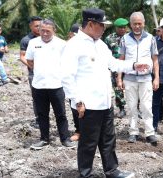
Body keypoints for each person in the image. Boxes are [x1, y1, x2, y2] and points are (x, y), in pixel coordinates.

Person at [60, 8, 148, 178]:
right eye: (102, 25)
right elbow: (66, 76)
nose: (104, 29)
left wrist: (133, 65)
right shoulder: (74, 45)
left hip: (105, 102)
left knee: (108, 140)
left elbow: (114, 64)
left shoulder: (100, 44)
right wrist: (77, 101)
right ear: (91, 24)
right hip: (87, 104)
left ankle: (112, 170)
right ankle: (85, 173)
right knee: (88, 142)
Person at [26, 19, 75, 150]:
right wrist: (40, 71)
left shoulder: (62, 44)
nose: (45, 33)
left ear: (54, 30)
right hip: (38, 85)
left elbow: (67, 63)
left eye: (48, 31)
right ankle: (44, 139)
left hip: (57, 85)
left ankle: (65, 139)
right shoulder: (33, 43)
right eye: (42, 30)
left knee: (61, 114)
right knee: (42, 114)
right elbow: (29, 60)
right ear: (39, 30)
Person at [117, 11, 159, 145]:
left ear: (144, 24)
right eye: (134, 24)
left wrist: (156, 78)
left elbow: (155, 60)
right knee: (131, 106)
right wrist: (119, 78)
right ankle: (133, 132)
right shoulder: (124, 39)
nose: (137, 26)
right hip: (129, 79)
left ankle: (149, 133)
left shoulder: (151, 38)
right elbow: (121, 59)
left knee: (147, 106)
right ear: (130, 24)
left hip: (146, 78)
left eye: (139, 24)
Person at [20, 16, 42, 128]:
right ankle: (39, 120)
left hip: (49, 74)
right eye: (36, 26)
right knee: (37, 97)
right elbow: (22, 56)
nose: (39, 28)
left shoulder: (47, 37)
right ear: (31, 26)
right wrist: (32, 66)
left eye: (40, 25)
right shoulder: (26, 40)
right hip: (33, 73)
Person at [105, 18, 128, 118]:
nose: (123, 29)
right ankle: (122, 108)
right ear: (116, 28)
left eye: (124, 27)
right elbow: (106, 54)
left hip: (129, 67)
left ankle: (136, 108)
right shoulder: (109, 39)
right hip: (115, 67)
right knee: (118, 88)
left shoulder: (130, 38)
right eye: (120, 27)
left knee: (133, 87)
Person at [67, 23, 81, 142]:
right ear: (70, 34)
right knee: (74, 107)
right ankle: (79, 130)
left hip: (85, 82)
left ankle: (88, 131)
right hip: (72, 83)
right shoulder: (67, 46)